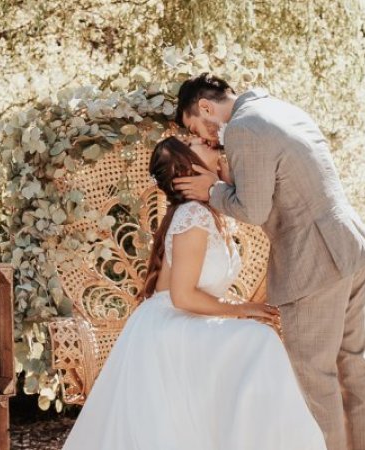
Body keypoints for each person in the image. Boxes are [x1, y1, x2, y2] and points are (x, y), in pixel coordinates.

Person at [62, 135, 326, 450]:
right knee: (259, 341)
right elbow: (183, 297)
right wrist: (243, 309)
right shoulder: (192, 215)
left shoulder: (208, 210)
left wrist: (220, 172)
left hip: (187, 321)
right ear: (186, 166)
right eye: (193, 142)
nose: (203, 139)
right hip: (169, 328)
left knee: (257, 342)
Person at [173, 73, 365, 450]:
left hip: (313, 262)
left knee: (315, 380)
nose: (205, 138)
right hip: (348, 244)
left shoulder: (243, 128)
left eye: (197, 127)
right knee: (352, 365)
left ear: (206, 107)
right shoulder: (280, 109)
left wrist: (212, 189)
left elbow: (252, 210)